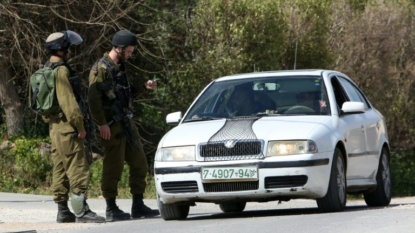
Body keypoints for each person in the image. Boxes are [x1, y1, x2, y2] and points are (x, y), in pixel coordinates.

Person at [88, 29, 159, 222]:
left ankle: (138, 204)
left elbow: (124, 95)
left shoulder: (120, 67)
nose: (131, 54)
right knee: (113, 166)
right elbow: (94, 100)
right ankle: (111, 208)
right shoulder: (100, 69)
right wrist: (102, 124)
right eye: (129, 50)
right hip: (111, 126)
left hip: (126, 122)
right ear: (119, 48)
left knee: (140, 163)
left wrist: (145, 87)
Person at [44, 31, 105, 223]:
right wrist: (80, 126)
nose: (70, 50)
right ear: (60, 49)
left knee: (60, 168)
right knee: (78, 167)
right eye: (67, 47)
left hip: (55, 128)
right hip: (68, 127)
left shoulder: (48, 68)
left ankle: (63, 211)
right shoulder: (61, 71)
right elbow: (69, 103)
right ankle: (81, 212)